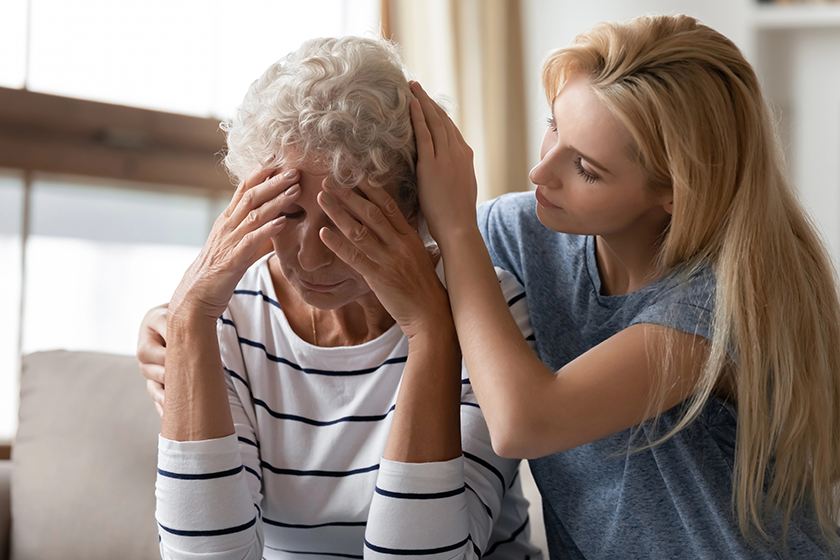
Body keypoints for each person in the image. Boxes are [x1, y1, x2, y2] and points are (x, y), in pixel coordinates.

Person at [315, 14, 840, 559]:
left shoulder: (721, 301)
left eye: (585, 167)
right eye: (553, 127)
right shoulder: (518, 235)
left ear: (676, 192)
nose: (541, 171)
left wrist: (455, 229)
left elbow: (525, 423)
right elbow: (383, 268)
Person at [139, 36, 541, 559]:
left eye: (347, 219)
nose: (309, 257)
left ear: (414, 208)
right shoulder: (226, 316)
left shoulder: (489, 312)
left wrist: (432, 331)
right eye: (289, 212)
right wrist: (192, 315)